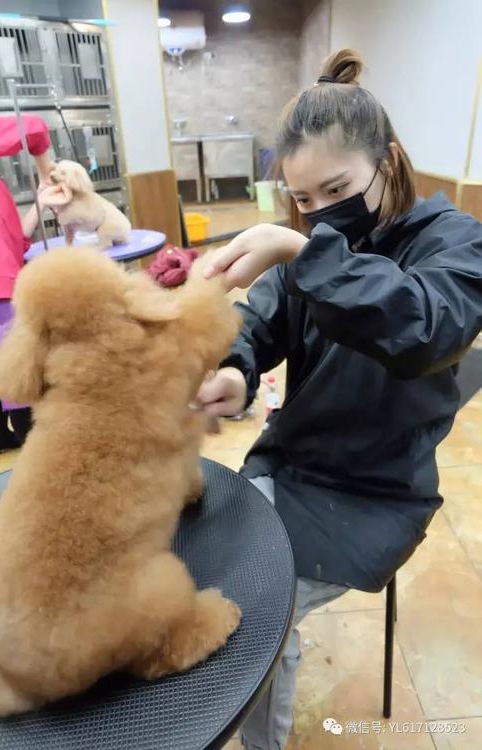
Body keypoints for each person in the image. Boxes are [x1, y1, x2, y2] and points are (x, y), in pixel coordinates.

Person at [196, 49, 482, 750]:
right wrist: (233, 371)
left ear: (387, 161)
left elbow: (423, 327)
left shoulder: (455, 244)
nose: (321, 213)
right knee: (196, 563)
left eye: (337, 188)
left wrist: (300, 249)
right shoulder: (317, 246)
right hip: (290, 464)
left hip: (374, 493)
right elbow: (260, 317)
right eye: (303, 199)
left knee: (252, 611)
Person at [0, 114, 59, 454]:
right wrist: (47, 170)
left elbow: (11, 242)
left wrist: (40, 202)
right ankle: (35, 450)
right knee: (19, 370)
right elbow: (33, 126)